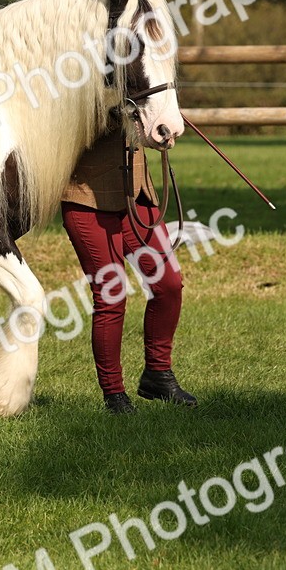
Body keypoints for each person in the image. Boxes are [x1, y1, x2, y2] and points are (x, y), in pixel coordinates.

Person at [61, 123, 197, 414]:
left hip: (136, 194)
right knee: (111, 296)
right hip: (86, 196)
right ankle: (114, 394)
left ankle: (158, 376)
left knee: (168, 284)